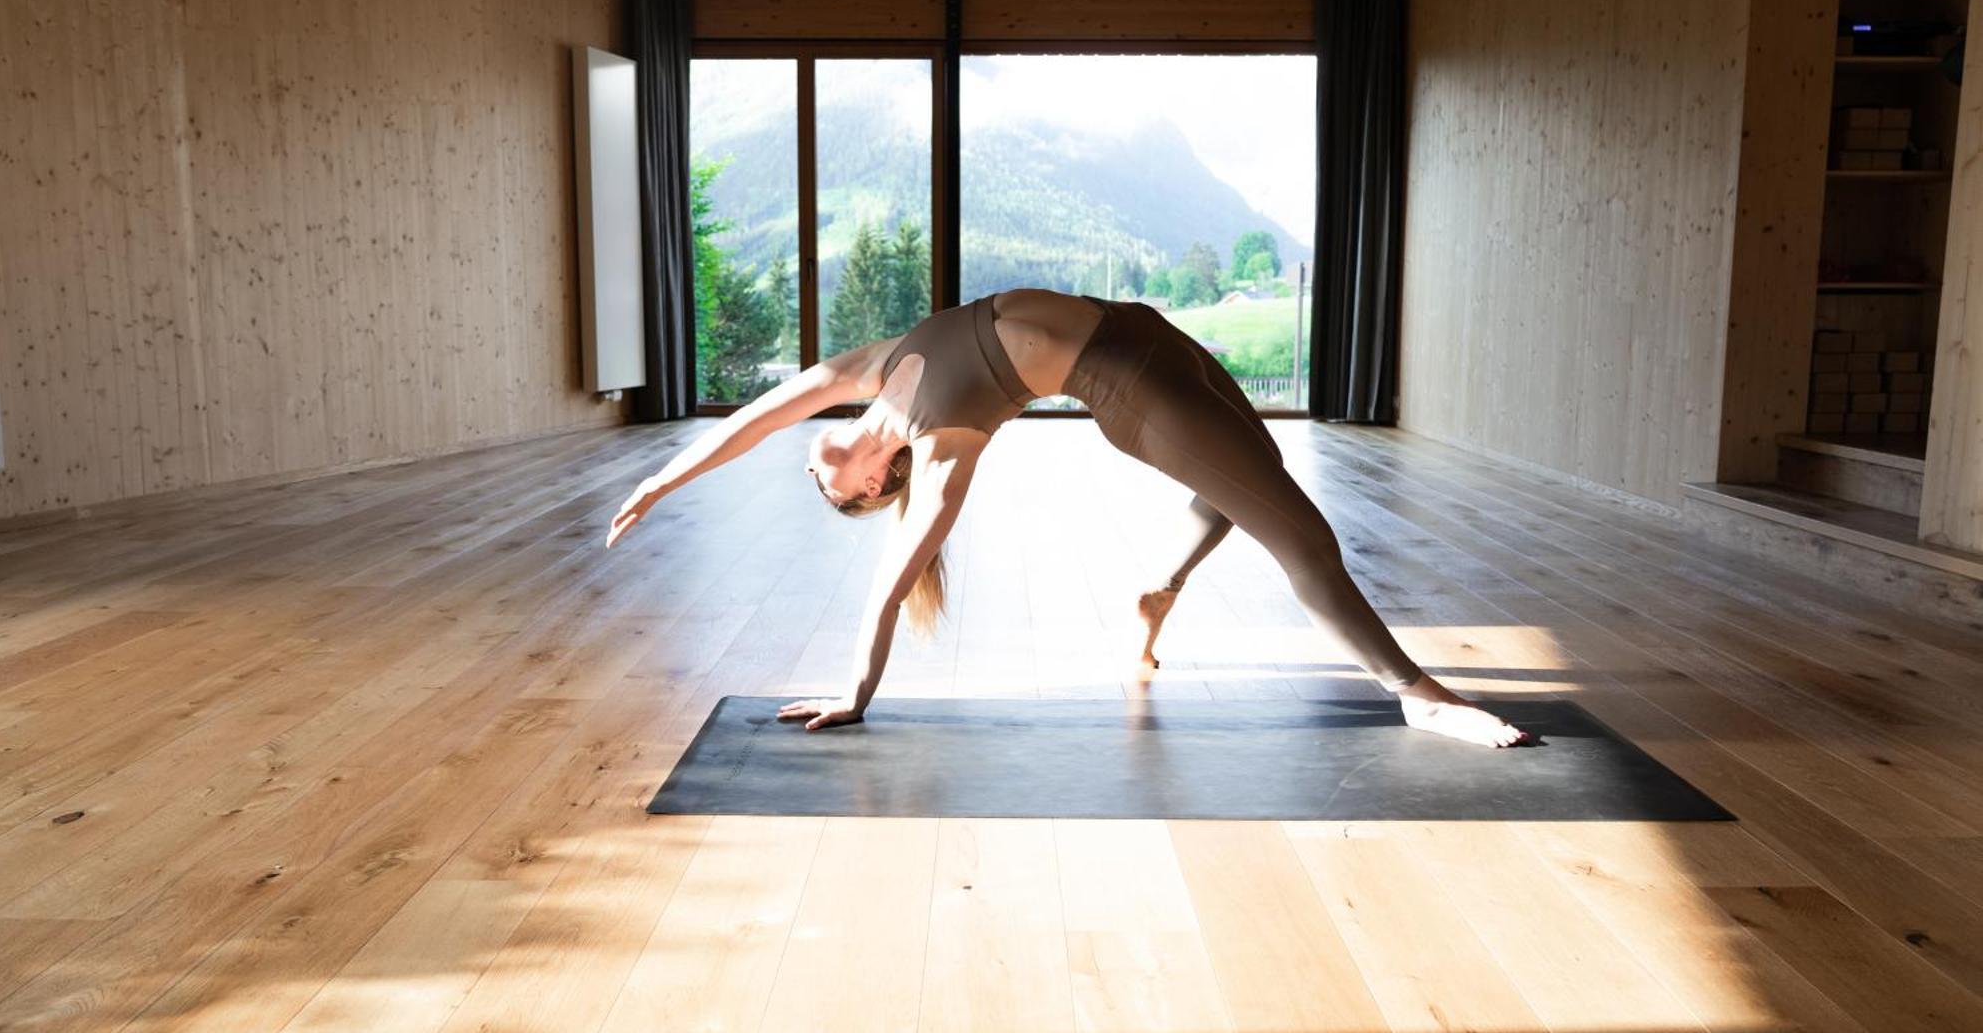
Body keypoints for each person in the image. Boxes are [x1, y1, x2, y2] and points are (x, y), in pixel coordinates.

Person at [606, 288, 1530, 747]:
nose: (811, 475)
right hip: (1136, 391)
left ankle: (1157, 593)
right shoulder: (940, 452)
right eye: (829, 497)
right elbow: (886, 597)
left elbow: (746, 420)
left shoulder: (865, 370)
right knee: (1302, 535)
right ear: (873, 482)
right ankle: (1417, 694)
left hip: (1158, 334)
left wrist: (656, 484)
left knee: (1260, 477)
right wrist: (855, 695)